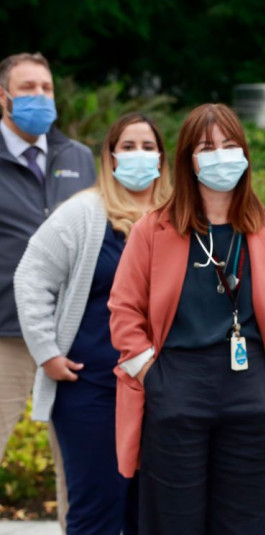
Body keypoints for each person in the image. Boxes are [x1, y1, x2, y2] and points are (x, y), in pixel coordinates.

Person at [108, 103, 265, 534]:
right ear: (186, 159)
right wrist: (154, 379)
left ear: (246, 154)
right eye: (206, 147)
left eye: (229, 145)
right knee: (173, 521)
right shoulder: (153, 229)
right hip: (177, 387)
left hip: (252, 390)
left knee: (247, 524)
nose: (220, 155)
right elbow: (124, 311)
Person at [14, 112, 171, 534]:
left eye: (148, 146)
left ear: (162, 157)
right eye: (128, 147)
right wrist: (46, 352)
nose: (139, 155)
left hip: (163, 388)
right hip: (92, 387)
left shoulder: (176, 217)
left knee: (151, 511)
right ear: (111, 157)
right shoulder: (83, 213)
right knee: (97, 508)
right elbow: (31, 276)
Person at [0, 52, 96, 530]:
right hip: (6, 336)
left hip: (71, 338)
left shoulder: (77, 158)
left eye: (46, 88)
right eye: (27, 88)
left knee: (78, 469)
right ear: (4, 97)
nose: (39, 97)